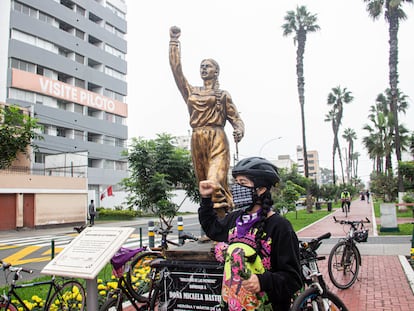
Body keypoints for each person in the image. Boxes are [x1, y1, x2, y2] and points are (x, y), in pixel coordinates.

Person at [198, 157, 302, 310]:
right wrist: (206, 199)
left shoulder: (280, 227)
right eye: (236, 183)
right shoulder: (235, 219)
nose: (237, 188)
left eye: (243, 183)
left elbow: (293, 279)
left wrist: (263, 281)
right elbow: (212, 228)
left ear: (261, 189)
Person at [169, 26, 245, 215]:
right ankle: (214, 228)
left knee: (214, 180)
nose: (203, 68)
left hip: (217, 137)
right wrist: (174, 43)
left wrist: (239, 130)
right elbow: (176, 71)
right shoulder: (191, 91)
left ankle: (222, 225)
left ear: (216, 71)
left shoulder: (223, 95)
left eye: (208, 66)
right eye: (201, 66)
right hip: (197, 139)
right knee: (204, 186)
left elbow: (236, 118)